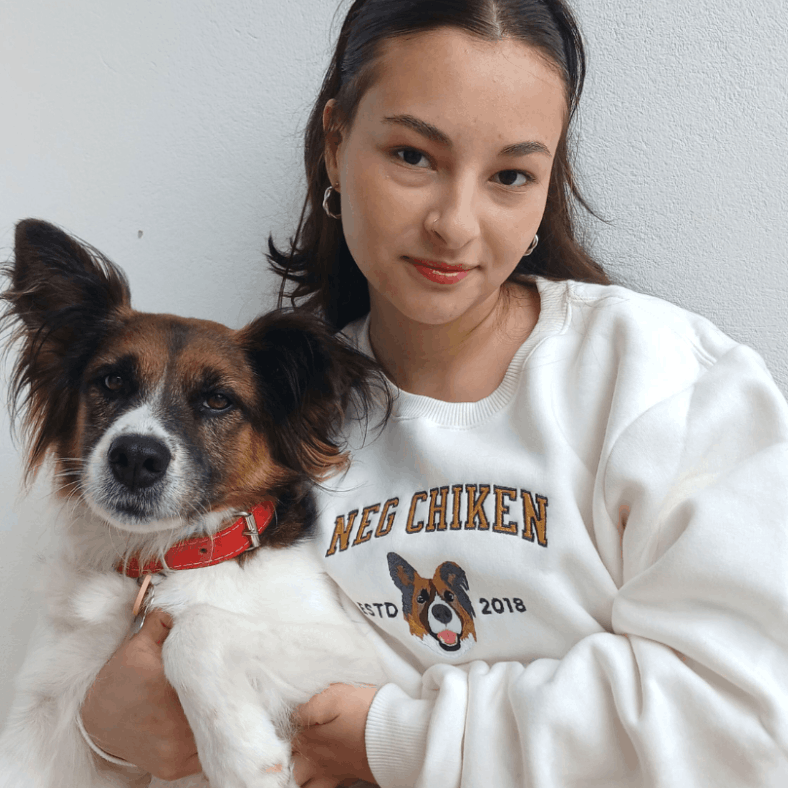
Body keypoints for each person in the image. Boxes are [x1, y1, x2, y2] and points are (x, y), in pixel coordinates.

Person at [80, 0, 788, 786]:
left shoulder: (658, 379)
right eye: (414, 156)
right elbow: (200, 702)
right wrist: (104, 730)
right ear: (336, 144)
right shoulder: (277, 414)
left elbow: (749, 719)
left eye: (510, 176)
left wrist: (395, 739)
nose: (455, 223)